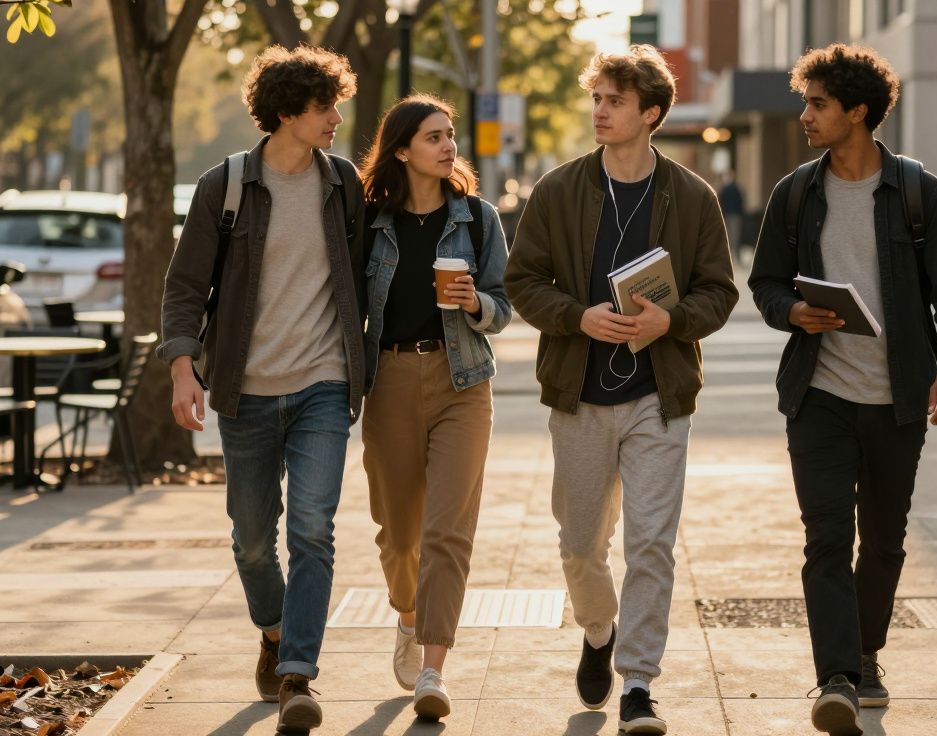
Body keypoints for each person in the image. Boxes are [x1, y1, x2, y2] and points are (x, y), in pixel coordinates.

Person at [748, 44, 937, 736]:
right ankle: (837, 677)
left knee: (881, 542)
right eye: (805, 101)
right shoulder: (796, 194)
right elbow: (764, 283)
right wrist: (792, 310)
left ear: (857, 111)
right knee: (826, 537)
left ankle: (865, 653)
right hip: (818, 396)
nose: (805, 115)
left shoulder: (917, 193)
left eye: (818, 103)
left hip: (898, 400)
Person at [504, 45, 738, 735]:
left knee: (652, 544)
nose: (599, 111)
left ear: (651, 113)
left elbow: (720, 292)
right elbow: (523, 281)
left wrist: (674, 320)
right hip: (578, 397)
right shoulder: (558, 190)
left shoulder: (692, 197)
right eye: (597, 99)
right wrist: (577, 316)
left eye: (614, 100)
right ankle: (599, 631)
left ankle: (638, 682)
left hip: (657, 398)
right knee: (580, 545)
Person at [157, 45, 365, 734]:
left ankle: (297, 675)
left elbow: (365, 276)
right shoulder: (228, 185)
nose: (337, 117)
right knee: (252, 540)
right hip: (245, 392)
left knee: (313, 530)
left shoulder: (342, 186)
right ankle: (274, 630)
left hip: (323, 386)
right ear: (286, 113)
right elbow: (186, 287)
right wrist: (183, 367)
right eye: (324, 106)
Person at [358, 93, 512, 722]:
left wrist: (477, 304)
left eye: (450, 135)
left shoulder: (477, 218)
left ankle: (433, 668)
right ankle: (408, 614)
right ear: (401, 150)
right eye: (432, 136)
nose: (449, 146)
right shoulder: (369, 222)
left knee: (448, 531)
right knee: (399, 537)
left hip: (463, 381)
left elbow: (503, 306)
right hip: (390, 379)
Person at [718, 169, 746, 262]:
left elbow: (720, 201)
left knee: (730, 235)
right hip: (735, 214)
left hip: (727, 214)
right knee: (735, 235)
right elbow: (741, 200)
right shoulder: (736, 188)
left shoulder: (725, 189)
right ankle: (735, 256)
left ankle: (730, 256)